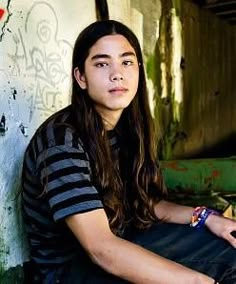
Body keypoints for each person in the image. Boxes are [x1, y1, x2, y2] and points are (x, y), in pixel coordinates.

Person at [21, 19, 236, 284]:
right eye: (101, 64)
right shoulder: (60, 141)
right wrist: (199, 282)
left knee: (231, 249)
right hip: (71, 270)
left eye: (126, 62)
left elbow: (146, 204)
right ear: (81, 77)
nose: (117, 73)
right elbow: (101, 248)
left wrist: (206, 218)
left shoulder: (127, 127)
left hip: (123, 240)